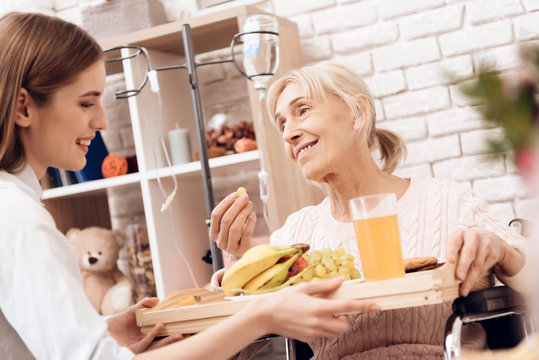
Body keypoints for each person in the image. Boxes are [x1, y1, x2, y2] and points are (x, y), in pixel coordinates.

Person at [0, 12, 380, 360]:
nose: (102, 122)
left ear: (357, 113)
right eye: (86, 103)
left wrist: (104, 331)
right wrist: (258, 316)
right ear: (23, 108)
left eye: (303, 112)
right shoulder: (18, 217)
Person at [209, 62, 533, 358]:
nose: (288, 133)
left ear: (357, 112)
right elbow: (237, 349)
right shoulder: (296, 234)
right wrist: (241, 261)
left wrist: (503, 250)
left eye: (302, 111)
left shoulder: (447, 201)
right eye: (281, 123)